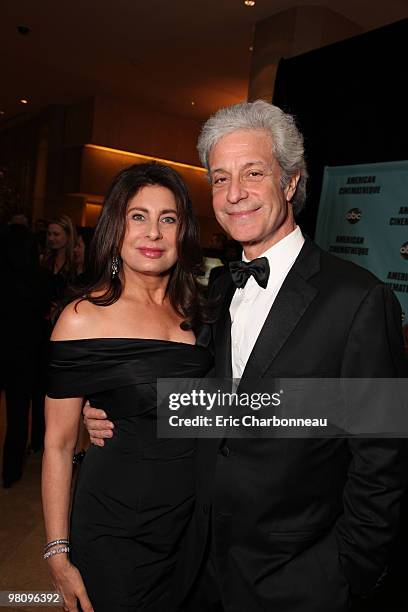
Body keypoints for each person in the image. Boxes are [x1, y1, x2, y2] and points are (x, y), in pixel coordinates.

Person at [84, 101, 408, 612]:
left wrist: (348, 572)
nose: (233, 194)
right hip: (199, 563)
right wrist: (114, 408)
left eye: (253, 173)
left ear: (290, 182)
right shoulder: (214, 290)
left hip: (301, 578)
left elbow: (383, 459)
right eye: (219, 178)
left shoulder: (359, 300)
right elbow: (216, 403)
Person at [42, 162, 213, 612]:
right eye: (138, 216)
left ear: (184, 231)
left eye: (168, 218)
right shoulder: (81, 319)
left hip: (193, 527)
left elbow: (213, 405)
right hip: (117, 528)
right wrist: (58, 554)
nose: (153, 232)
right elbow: (57, 446)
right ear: (116, 226)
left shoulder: (204, 312)